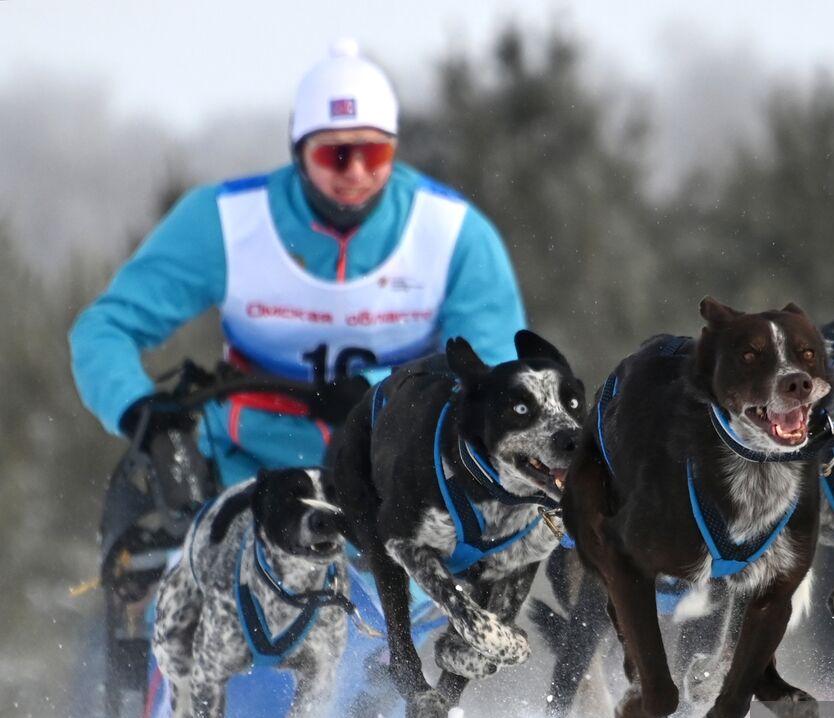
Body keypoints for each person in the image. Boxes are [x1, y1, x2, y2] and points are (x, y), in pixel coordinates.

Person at [70, 38, 526, 486]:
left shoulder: (454, 234)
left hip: (401, 479)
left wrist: (376, 390)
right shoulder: (225, 223)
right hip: (251, 473)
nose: (356, 173)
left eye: (374, 153)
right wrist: (137, 410)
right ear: (299, 153)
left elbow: (496, 377)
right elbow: (104, 329)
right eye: (336, 154)